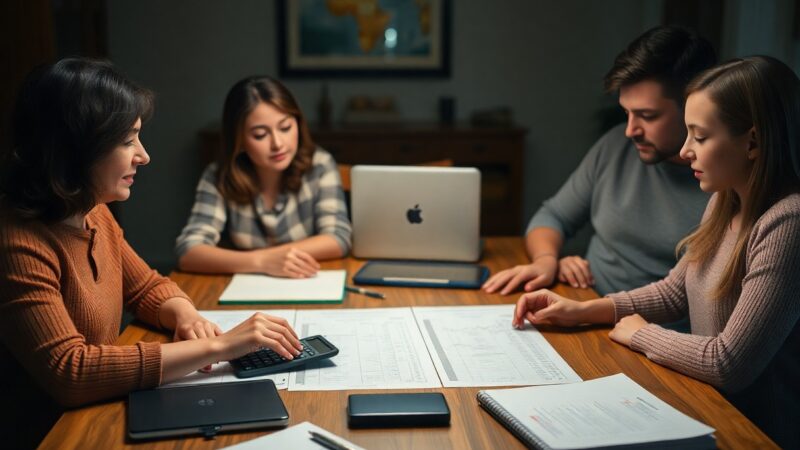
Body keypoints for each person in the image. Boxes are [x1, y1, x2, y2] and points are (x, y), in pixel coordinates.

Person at [0, 59, 303, 448]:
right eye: (127, 141)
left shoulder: (92, 213)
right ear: (77, 147)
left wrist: (186, 314)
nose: (143, 156)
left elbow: (145, 288)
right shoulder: (16, 241)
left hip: (102, 410)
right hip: (52, 434)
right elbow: (69, 373)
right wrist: (221, 345)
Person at [512, 55, 800, 449]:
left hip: (757, 432)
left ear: (752, 141)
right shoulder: (727, 197)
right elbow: (674, 292)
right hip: (708, 407)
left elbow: (728, 363)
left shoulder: (788, 223)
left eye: (700, 137)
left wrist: (642, 334)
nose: (685, 151)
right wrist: (581, 310)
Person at [484, 26, 716, 296]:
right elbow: (553, 216)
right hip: (582, 303)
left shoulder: (727, 183)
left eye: (648, 116)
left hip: (652, 333)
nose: (631, 130)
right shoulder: (616, 145)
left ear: (694, 108)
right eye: (626, 112)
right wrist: (547, 260)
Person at [175, 76, 351, 278]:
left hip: (307, 279)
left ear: (298, 125)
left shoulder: (320, 164)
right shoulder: (218, 175)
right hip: (246, 287)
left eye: (285, 128)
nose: (278, 143)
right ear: (238, 140)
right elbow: (188, 251)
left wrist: (274, 258)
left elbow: (338, 238)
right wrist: (262, 262)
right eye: (260, 134)